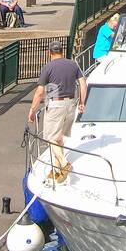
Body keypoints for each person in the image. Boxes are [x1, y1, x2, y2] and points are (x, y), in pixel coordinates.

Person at [27, 42, 88, 182]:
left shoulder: (48, 67)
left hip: (55, 105)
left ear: (50, 52)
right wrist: (82, 102)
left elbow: (39, 92)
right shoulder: (73, 64)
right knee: (59, 138)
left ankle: (64, 164)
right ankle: (56, 171)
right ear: (62, 51)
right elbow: (83, 83)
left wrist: (32, 110)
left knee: (51, 138)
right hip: (71, 104)